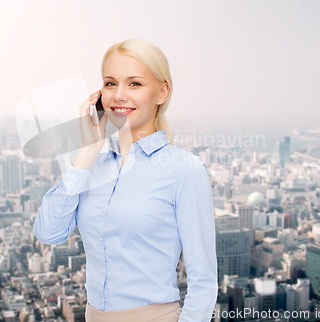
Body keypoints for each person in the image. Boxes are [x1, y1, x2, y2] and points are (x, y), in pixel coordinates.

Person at [34, 39, 217, 322]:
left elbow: (203, 282)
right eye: (110, 83)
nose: (119, 95)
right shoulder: (91, 167)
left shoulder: (184, 170)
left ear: (162, 92)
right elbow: (49, 232)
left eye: (134, 84)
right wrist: (87, 152)